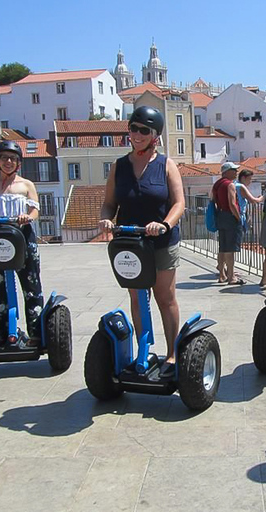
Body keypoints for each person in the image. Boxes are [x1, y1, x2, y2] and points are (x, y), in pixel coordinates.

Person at [99, 106, 185, 377]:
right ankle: (143, 350)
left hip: (161, 241)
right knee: (137, 296)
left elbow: (179, 203)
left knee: (164, 296)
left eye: (143, 131)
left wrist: (164, 225)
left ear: (154, 136)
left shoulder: (166, 165)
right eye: (133, 128)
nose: (137, 134)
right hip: (131, 242)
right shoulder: (119, 166)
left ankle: (172, 354)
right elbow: (109, 203)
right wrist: (105, 220)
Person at [0, 140, 43, 347]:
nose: (9, 162)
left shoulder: (26, 185)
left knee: (31, 286)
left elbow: (35, 210)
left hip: (22, 238)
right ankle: (3, 334)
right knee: (0, 287)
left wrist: (27, 217)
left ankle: (36, 334)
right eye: (4, 158)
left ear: (19, 163)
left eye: (13, 159)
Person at [211, 162, 246, 285]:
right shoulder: (229, 185)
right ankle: (231, 277)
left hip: (221, 216)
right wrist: (238, 218)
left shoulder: (217, 184)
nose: (236, 173)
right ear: (227, 171)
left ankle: (222, 275)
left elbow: (214, 200)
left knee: (223, 247)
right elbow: (232, 203)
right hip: (230, 217)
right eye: (234, 170)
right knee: (230, 249)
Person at [234, 168, 263, 236]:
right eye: (249, 179)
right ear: (243, 178)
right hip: (239, 215)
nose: (250, 182)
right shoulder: (241, 187)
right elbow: (253, 200)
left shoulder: (234, 184)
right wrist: (262, 198)